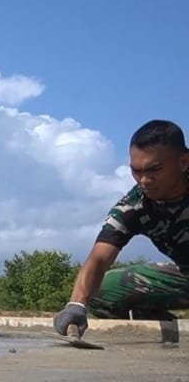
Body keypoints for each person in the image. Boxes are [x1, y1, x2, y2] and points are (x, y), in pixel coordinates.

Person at [54, 119, 189, 337]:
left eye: (154, 170)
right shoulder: (134, 207)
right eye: (136, 171)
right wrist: (76, 305)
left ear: (183, 162)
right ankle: (167, 336)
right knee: (100, 291)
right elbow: (99, 258)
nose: (144, 180)